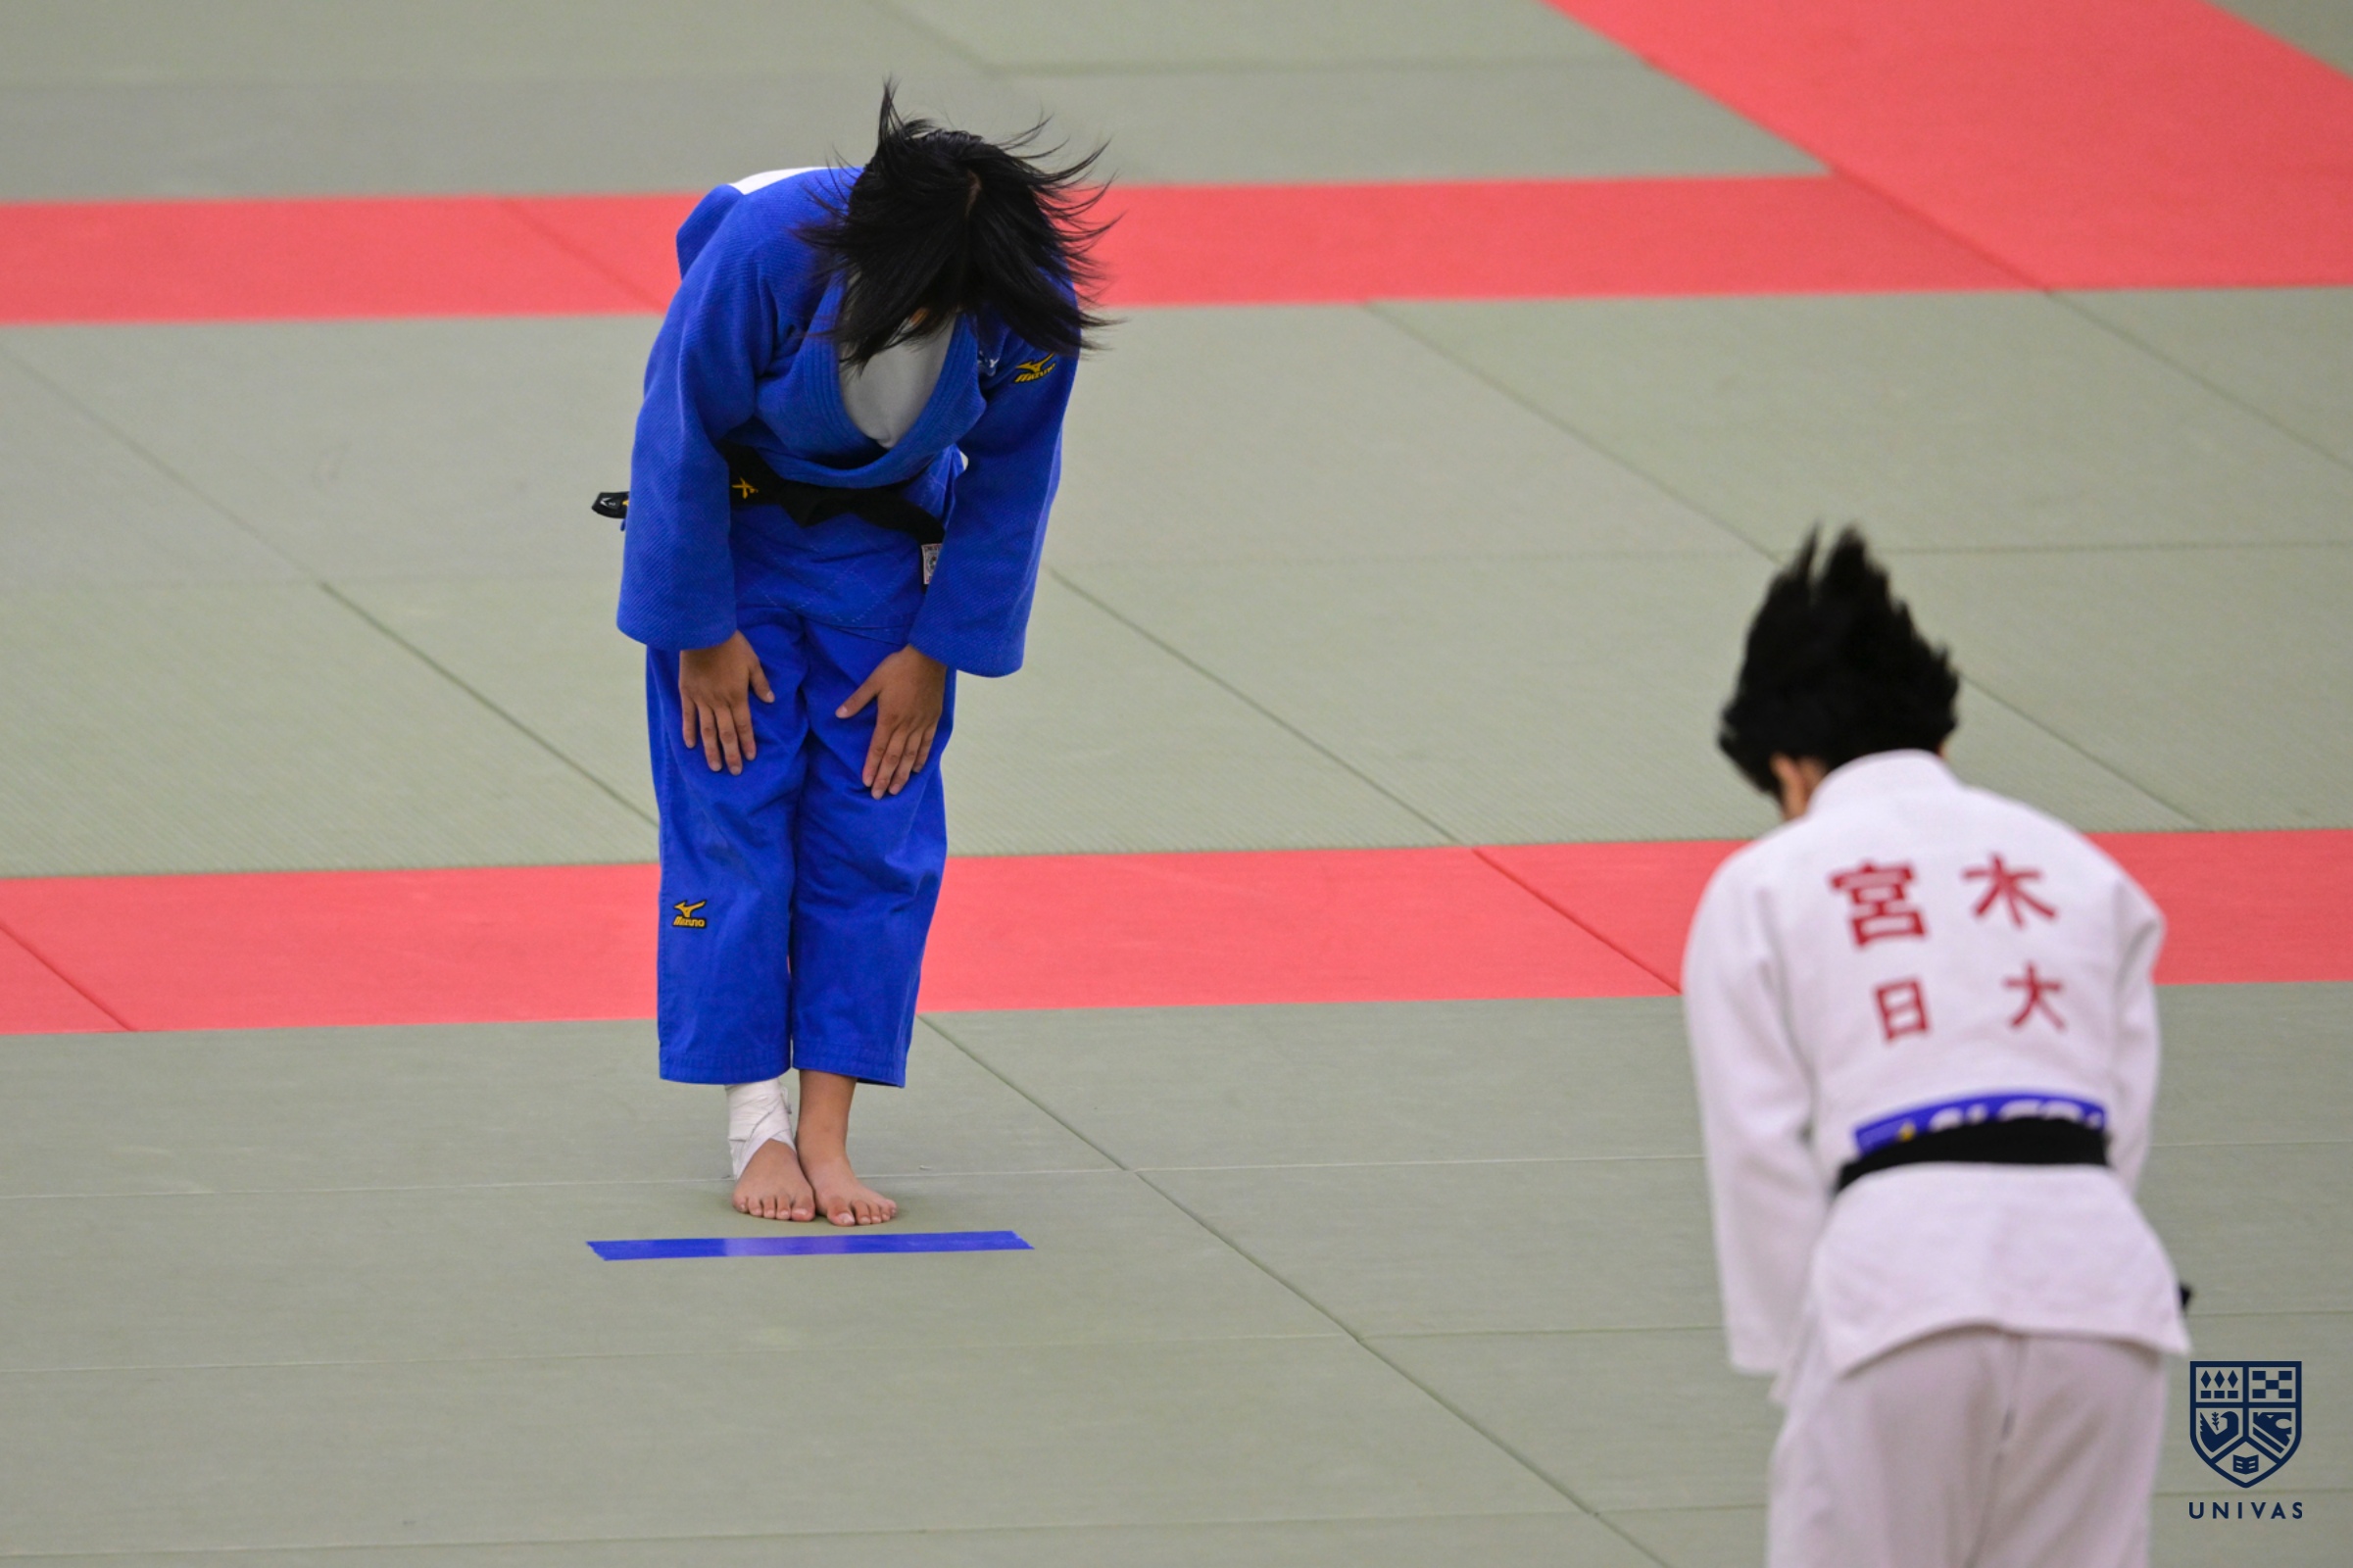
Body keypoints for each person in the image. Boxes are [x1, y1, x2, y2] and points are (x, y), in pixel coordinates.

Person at [617, 89, 1103, 1226]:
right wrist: (698, 634)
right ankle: (757, 1126)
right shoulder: (770, 248)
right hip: (734, 546)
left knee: (877, 840)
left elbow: (1014, 478)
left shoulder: (1022, 294)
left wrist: (938, 651)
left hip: (886, 565)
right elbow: (676, 430)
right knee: (734, 823)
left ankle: (828, 1137)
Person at [1682, 531, 2188, 1568]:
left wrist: (1804, 1341)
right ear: (1937, 735)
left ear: (1788, 768)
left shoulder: (1767, 881)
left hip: (1899, 1288)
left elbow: (1757, 1142)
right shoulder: (2078, 870)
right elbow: (2121, 1112)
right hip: (2103, 1287)